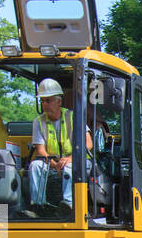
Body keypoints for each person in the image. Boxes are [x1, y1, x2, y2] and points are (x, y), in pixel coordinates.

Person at [27, 78, 93, 218]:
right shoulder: (38, 122)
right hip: (53, 163)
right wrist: (55, 164)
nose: (44, 104)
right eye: (42, 101)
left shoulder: (73, 117)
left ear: (59, 101)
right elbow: (40, 151)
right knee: (35, 165)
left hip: (78, 161)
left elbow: (88, 144)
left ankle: (68, 205)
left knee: (69, 168)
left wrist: (70, 159)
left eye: (48, 100)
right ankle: (38, 206)